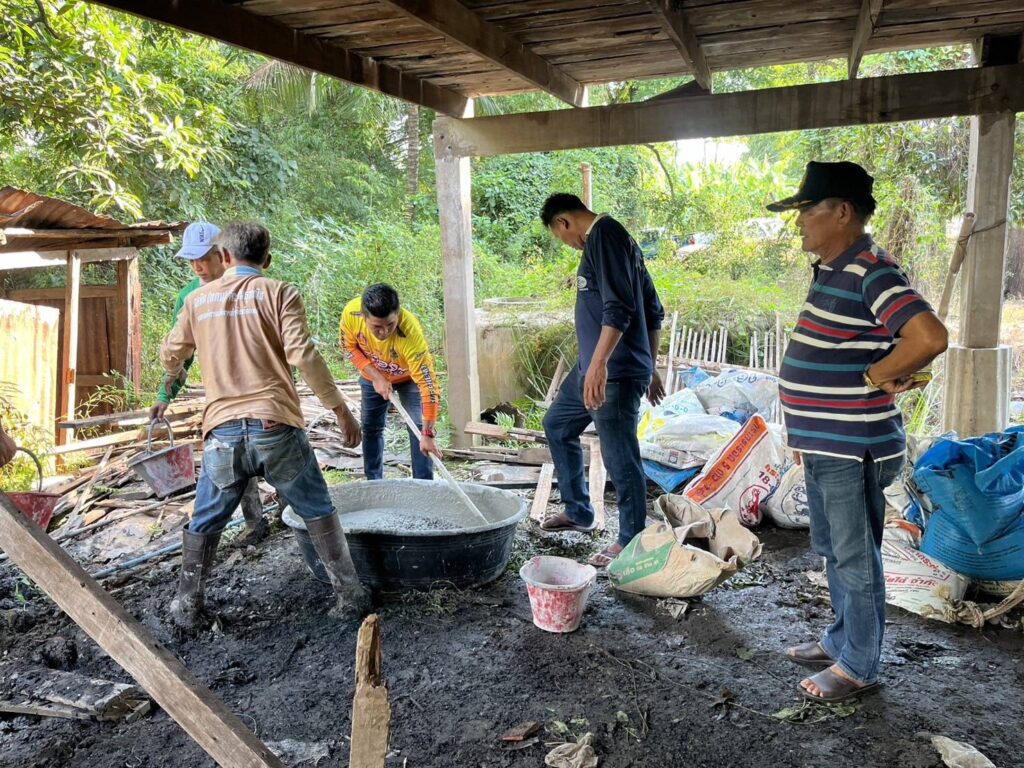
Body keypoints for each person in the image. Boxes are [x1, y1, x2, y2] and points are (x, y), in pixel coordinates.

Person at [768, 161, 948, 702]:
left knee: (855, 555)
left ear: (842, 211)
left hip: (853, 445)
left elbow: (929, 336)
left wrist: (876, 375)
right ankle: (841, 639)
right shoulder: (833, 268)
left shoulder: (872, 269)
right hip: (827, 441)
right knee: (833, 548)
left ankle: (859, 665)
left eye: (806, 210)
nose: (798, 222)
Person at [160, 221, 369, 630]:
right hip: (275, 426)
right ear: (267, 260)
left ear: (224, 257)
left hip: (222, 432)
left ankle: (187, 605)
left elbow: (171, 352)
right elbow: (304, 356)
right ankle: (350, 596)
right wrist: (341, 410)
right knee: (317, 509)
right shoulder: (280, 293)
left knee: (206, 521)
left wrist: (171, 377)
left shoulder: (197, 301)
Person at [538, 194, 665, 568]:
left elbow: (620, 308)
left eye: (561, 237)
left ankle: (631, 539)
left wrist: (600, 364)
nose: (568, 244)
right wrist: (650, 364)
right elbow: (652, 310)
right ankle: (578, 510)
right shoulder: (615, 242)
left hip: (613, 373)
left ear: (563, 222)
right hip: (594, 369)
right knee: (557, 425)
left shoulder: (605, 236)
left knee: (619, 456)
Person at [148, 221, 269, 545]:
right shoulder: (189, 296)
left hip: (261, 387)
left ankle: (290, 513)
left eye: (204, 257)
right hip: (222, 393)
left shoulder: (251, 285)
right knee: (235, 458)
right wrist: (164, 395)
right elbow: (180, 353)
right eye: (192, 259)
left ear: (223, 254)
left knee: (276, 452)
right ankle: (255, 522)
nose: (198, 266)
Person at [340, 284, 442, 480]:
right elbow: (349, 348)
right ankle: (374, 482)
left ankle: (423, 485)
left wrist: (428, 432)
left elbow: (428, 386)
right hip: (372, 375)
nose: (384, 332)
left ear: (398, 314)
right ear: (363, 316)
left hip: (409, 378)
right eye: (376, 327)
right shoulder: (351, 314)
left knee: (418, 427)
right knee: (371, 427)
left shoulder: (410, 333)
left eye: (390, 324)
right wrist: (376, 377)